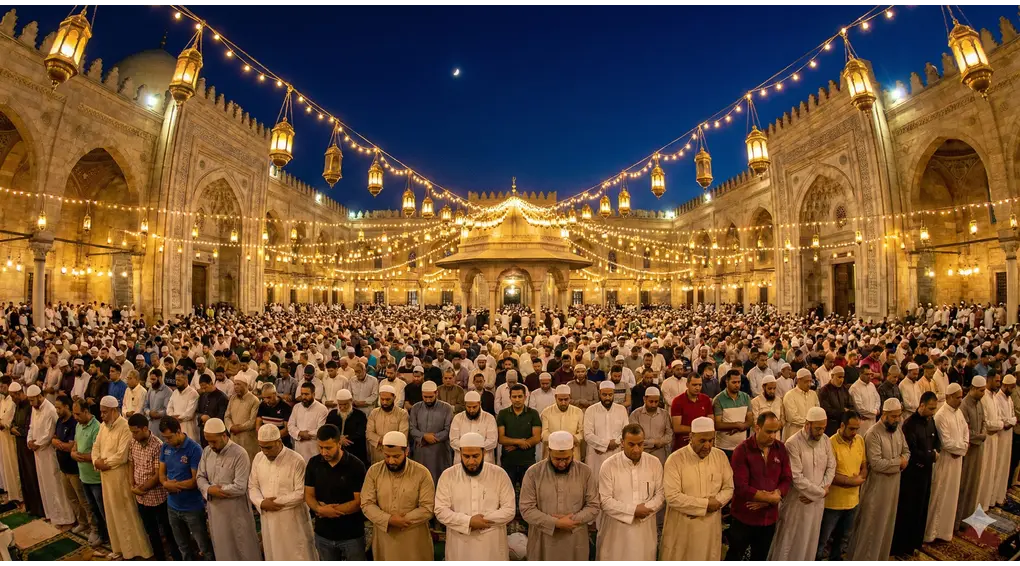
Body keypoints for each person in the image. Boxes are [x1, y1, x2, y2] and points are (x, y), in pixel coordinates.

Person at [434, 432, 516, 562]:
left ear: (483, 453)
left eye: (475, 456)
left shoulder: (499, 474)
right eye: (466, 456)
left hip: (491, 546)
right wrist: (468, 522)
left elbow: (509, 510)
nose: (471, 461)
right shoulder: (448, 475)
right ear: (460, 453)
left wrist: (481, 521)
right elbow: (440, 511)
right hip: (460, 547)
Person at [519, 430, 600, 562]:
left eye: (566, 459)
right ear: (549, 451)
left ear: (573, 451)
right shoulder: (533, 473)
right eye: (557, 459)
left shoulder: (585, 472)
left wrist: (572, 520)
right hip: (543, 541)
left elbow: (594, 506)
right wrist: (555, 523)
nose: (562, 463)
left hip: (575, 541)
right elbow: (526, 509)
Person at [768, 406, 836, 562]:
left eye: (823, 428)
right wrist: (820, 492)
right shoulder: (793, 443)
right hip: (797, 502)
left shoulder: (825, 440)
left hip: (816, 502)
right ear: (807, 425)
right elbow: (796, 477)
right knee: (790, 541)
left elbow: (831, 466)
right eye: (818, 428)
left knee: (810, 539)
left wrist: (820, 492)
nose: (820, 432)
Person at [658, 417, 730, 562]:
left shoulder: (720, 456)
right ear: (691, 437)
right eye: (702, 441)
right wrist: (706, 505)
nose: (707, 446)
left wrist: (717, 502)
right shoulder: (675, 459)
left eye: (711, 440)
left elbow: (729, 488)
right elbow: (672, 496)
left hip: (710, 526)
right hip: (683, 527)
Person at [847, 398, 909, 561]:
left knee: (887, 525)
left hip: (893, 486)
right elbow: (877, 464)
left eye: (898, 416)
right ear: (885, 414)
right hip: (877, 487)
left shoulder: (898, 430)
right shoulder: (873, 433)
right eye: (894, 416)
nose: (897, 419)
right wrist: (899, 462)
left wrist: (903, 460)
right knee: (871, 527)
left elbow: (906, 451)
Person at [359, 430, 436, 562]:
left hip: (414, 537)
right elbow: (366, 504)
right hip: (385, 536)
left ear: (406, 452)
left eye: (396, 456)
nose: (391, 461)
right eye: (387, 456)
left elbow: (428, 507)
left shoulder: (422, 473)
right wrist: (388, 520)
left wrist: (403, 520)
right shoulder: (374, 471)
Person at [93, 395, 153, 560]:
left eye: (105, 412)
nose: (102, 416)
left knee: (125, 513)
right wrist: (96, 461)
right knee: (111, 513)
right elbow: (96, 446)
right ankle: (118, 548)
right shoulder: (104, 426)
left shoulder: (125, 427)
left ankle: (135, 550)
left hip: (119, 477)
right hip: (106, 477)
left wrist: (104, 463)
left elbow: (122, 455)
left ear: (114, 411)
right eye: (101, 412)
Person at [727, 411, 791, 565]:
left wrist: (776, 496)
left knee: (760, 558)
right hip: (744, 517)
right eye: (769, 431)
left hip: (768, 519)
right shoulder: (742, 451)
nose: (773, 436)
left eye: (775, 432)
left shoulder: (780, 448)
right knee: (734, 558)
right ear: (757, 427)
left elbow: (786, 478)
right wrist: (771, 498)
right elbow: (741, 487)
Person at [196, 418, 261, 561]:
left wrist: (218, 490)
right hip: (215, 510)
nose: (211, 445)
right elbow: (200, 477)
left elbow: (240, 486)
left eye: (214, 441)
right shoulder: (207, 452)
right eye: (208, 441)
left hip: (236, 511)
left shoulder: (239, 454)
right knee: (222, 548)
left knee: (243, 548)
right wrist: (209, 489)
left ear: (224, 436)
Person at [249, 424, 316, 562]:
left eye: (268, 447)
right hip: (268, 518)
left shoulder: (296, 460)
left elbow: (300, 493)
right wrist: (261, 503)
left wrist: (273, 503)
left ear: (279, 442)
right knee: (273, 554)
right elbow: (252, 486)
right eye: (262, 447)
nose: (265, 452)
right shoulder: (258, 458)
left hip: (291, 519)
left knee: (298, 555)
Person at [304, 424, 368, 561]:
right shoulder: (314, 463)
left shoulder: (356, 465)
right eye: (320, 447)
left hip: (351, 534)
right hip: (323, 534)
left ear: (339, 443)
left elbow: (359, 501)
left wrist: (329, 511)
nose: (323, 452)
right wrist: (319, 508)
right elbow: (308, 494)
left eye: (328, 448)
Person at [127, 413, 182, 563]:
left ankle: (177, 559)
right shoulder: (133, 443)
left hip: (158, 498)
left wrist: (142, 488)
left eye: (135, 432)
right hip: (141, 497)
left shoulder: (158, 445)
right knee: (151, 532)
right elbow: (132, 464)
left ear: (145, 428)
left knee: (168, 531)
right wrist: (132, 484)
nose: (133, 435)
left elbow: (158, 475)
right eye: (131, 432)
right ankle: (161, 560)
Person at [158, 416, 215, 561]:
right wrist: (165, 484)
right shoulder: (165, 447)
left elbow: (195, 480)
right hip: (172, 506)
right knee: (183, 547)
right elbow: (161, 473)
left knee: (203, 546)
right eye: (164, 438)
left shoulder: (194, 449)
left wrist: (173, 485)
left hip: (192, 507)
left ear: (178, 431)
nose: (167, 441)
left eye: (169, 437)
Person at [891, 391, 940, 557]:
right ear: (922, 405)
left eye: (934, 409)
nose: (933, 412)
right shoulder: (910, 424)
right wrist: (931, 456)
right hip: (912, 475)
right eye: (930, 408)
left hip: (925, 473)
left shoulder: (931, 421)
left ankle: (914, 544)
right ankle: (901, 547)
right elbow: (910, 451)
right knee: (908, 511)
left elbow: (936, 442)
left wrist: (934, 453)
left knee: (921, 509)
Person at [817, 410, 867, 561]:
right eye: (851, 428)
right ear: (842, 425)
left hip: (853, 502)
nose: (854, 432)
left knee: (843, 541)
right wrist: (850, 482)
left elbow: (864, 465)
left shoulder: (859, 440)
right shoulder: (830, 443)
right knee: (822, 541)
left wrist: (861, 477)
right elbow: (828, 473)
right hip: (833, 503)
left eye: (857, 429)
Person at [25, 384, 76, 527]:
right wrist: (29, 440)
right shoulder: (35, 409)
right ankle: (52, 515)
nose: (30, 403)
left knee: (55, 486)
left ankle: (66, 518)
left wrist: (38, 444)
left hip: (48, 453)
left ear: (39, 396)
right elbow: (31, 427)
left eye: (31, 400)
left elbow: (50, 433)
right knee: (44, 485)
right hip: (38, 454)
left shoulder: (51, 410)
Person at [925, 382, 968, 543]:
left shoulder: (959, 413)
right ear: (949, 397)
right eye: (957, 397)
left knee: (951, 496)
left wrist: (962, 449)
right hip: (944, 461)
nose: (960, 400)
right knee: (939, 496)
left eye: (961, 397)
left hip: (956, 461)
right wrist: (960, 449)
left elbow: (966, 433)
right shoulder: (941, 415)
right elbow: (946, 443)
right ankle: (931, 534)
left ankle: (945, 532)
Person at [51, 395, 93, 537]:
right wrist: (60, 444)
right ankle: (82, 523)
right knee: (72, 499)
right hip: (63, 468)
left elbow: (71, 446)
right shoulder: (59, 421)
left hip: (75, 469)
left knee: (83, 500)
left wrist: (60, 445)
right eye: (56, 407)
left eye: (59, 407)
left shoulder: (74, 424)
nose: (56, 410)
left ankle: (93, 527)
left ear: (67, 407)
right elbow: (54, 438)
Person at [70, 397, 107, 549]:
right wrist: (73, 453)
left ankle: (107, 536)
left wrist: (81, 456)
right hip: (84, 475)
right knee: (92, 508)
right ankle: (99, 533)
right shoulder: (79, 425)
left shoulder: (97, 427)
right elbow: (75, 445)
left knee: (102, 509)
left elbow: (96, 453)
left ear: (86, 412)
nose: (75, 417)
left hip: (96, 477)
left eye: (78, 414)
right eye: (74, 413)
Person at [497, 383, 542, 491]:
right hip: (508, 461)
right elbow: (501, 439)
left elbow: (536, 437)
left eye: (520, 396)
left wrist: (515, 445)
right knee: (508, 492)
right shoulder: (503, 414)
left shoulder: (533, 414)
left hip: (527, 460)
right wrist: (519, 442)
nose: (517, 399)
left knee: (527, 492)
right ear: (510, 398)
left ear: (525, 397)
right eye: (514, 397)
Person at [409, 380, 453, 486]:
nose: (428, 400)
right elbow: (412, 428)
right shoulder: (416, 408)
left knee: (440, 481)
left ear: (436, 393)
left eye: (430, 397)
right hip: (421, 451)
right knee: (421, 481)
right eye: (425, 397)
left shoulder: (447, 408)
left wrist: (431, 438)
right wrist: (423, 436)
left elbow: (448, 430)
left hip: (440, 451)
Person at [956, 374, 986, 530]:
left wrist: (982, 434)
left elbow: (984, 422)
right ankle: (958, 520)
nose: (983, 393)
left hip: (978, 449)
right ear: (973, 389)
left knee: (974, 484)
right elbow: (966, 431)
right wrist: (981, 436)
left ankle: (968, 518)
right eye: (981, 391)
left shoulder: (979, 403)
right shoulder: (964, 405)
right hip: (968, 451)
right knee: (964, 485)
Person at [584, 380, 629, 478]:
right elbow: (588, 435)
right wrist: (606, 445)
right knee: (596, 484)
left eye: (610, 394)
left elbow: (626, 432)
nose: (607, 398)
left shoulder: (621, 410)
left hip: (616, 453)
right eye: (604, 395)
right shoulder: (591, 410)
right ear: (599, 394)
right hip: (596, 455)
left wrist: (616, 442)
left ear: (614, 394)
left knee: (616, 482)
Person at [713, 370, 753, 458]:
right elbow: (717, 424)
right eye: (734, 382)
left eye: (739, 382)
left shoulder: (745, 397)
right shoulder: (718, 399)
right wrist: (736, 425)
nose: (737, 385)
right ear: (727, 382)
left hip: (742, 446)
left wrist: (741, 427)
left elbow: (750, 420)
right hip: (723, 447)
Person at [451, 390, 498, 463]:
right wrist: (468, 450)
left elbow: (492, 441)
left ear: (480, 404)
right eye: (468, 407)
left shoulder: (489, 418)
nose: (471, 410)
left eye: (474, 407)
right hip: (462, 461)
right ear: (465, 405)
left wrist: (476, 450)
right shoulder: (458, 418)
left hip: (484, 461)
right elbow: (453, 440)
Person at [630, 386, 673, 465]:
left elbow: (669, 434)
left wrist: (660, 442)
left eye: (656, 402)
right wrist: (653, 442)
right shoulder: (635, 414)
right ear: (644, 399)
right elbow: (634, 436)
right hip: (641, 452)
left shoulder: (664, 414)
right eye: (651, 401)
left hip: (660, 452)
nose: (653, 405)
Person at [540, 384, 584, 460]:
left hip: (572, 452)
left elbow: (582, 432)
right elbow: (544, 433)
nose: (563, 403)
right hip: (552, 453)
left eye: (566, 399)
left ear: (570, 398)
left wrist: (571, 440)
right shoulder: (546, 412)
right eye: (560, 400)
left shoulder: (578, 412)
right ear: (555, 397)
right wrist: (558, 441)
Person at [326, 389, 369, 466]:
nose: (342, 408)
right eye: (340, 405)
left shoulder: (360, 415)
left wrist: (345, 440)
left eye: (345, 404)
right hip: (335, 451)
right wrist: (338, 439)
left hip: (354, 451)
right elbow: (328, 431)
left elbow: (361, 433)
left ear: (351, 401)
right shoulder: (332, 414)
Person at [288, 382, 329, 461]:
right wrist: (300, 433)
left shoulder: (322, 409)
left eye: (306, 394)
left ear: (313, 394)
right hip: (298, 449)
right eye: (302, 394)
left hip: (314, 449)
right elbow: (290, 426)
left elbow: (321, 430)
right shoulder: (296, 407)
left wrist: (307, 434)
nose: (303, 397)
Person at [992, 374, 1016, 506]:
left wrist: (1011, 421)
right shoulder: (998, 398)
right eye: (1011, 387)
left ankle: (1000, 496)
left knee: (1005, 466)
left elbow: (1012, 418)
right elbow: (1004, 422)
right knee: (998, 467)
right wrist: (1010, 422)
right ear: (1005, 385)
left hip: (1008, 438)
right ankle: (993, 497)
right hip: (1000, 437)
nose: (1012, 389)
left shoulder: (1009, 399)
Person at [224, 377, 260, 461]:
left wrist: (239, 428)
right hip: (234, 438)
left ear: (246, 385)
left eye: (239, 384)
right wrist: (231, 427)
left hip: (248, 440)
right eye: (235, 384)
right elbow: (227, 416)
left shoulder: (254, 400)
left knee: (248, 463)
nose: (236, 387)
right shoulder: (232, 398)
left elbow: (252, 422)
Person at [0, 379, 22, 505]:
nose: (1, 389)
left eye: (2, 386)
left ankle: (19, 496)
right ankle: (11, 493)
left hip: (10, 440)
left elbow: (5, 423)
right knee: (5, 467)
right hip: (3, 439)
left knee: (14, 468)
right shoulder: (3, 401)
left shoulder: (12, 402)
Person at [782, 368, 820, 441]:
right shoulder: (790, 395)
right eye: (806, 382)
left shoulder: (813, 394)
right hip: (794, 434)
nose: (809, 384)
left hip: (810, 434)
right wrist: (811, 423)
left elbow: (817, 411)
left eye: (810, 381)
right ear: (799, 380)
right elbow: (792, 417)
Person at [819, 366, 856, 436]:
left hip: (843, 425)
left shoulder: (844, 389)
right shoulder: (824, 391)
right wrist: (843, 411)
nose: (841, 380)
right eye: (839, 377)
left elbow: (851, 405)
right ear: (832, 376)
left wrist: (848, 411)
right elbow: (826, 410)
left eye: (843, 377)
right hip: (831, 426)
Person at [166, 372, 200, 442]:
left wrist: (177, 418)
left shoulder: (193, 393)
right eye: (176, 380)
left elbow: (189, 413)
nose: (177, 382)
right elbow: (169, 407)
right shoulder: (175, 392)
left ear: (186, 380)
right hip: (175, 427)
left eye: (179, 380)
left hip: (188, 427)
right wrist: (172, 416)